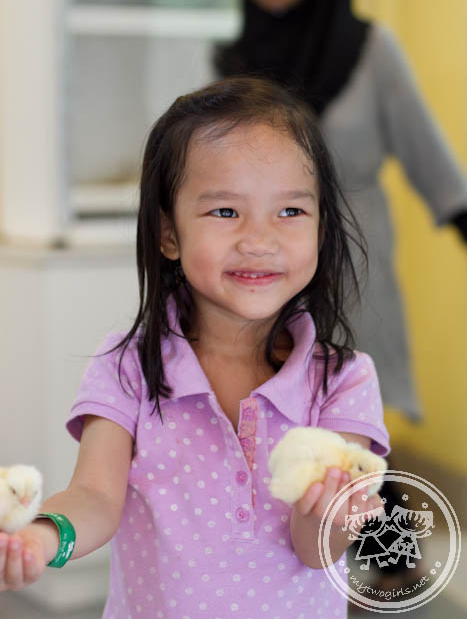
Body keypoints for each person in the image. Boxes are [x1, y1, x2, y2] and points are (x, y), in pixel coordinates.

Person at [0, 77, 390, 617]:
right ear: (168, 234)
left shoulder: (344, 380)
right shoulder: (127, 366)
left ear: (322, 230)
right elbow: (95, 498)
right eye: (226, 212)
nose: (260, 238)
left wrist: (335, 512)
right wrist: (41, 536)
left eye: (291, 212)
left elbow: (313, 548)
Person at [215, 0, 467, 423]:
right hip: (263, 263)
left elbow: (427, 152)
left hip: (354, 258)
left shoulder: (370, 49)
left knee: (353, 420)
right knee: (271, 415)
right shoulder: (235, 64)